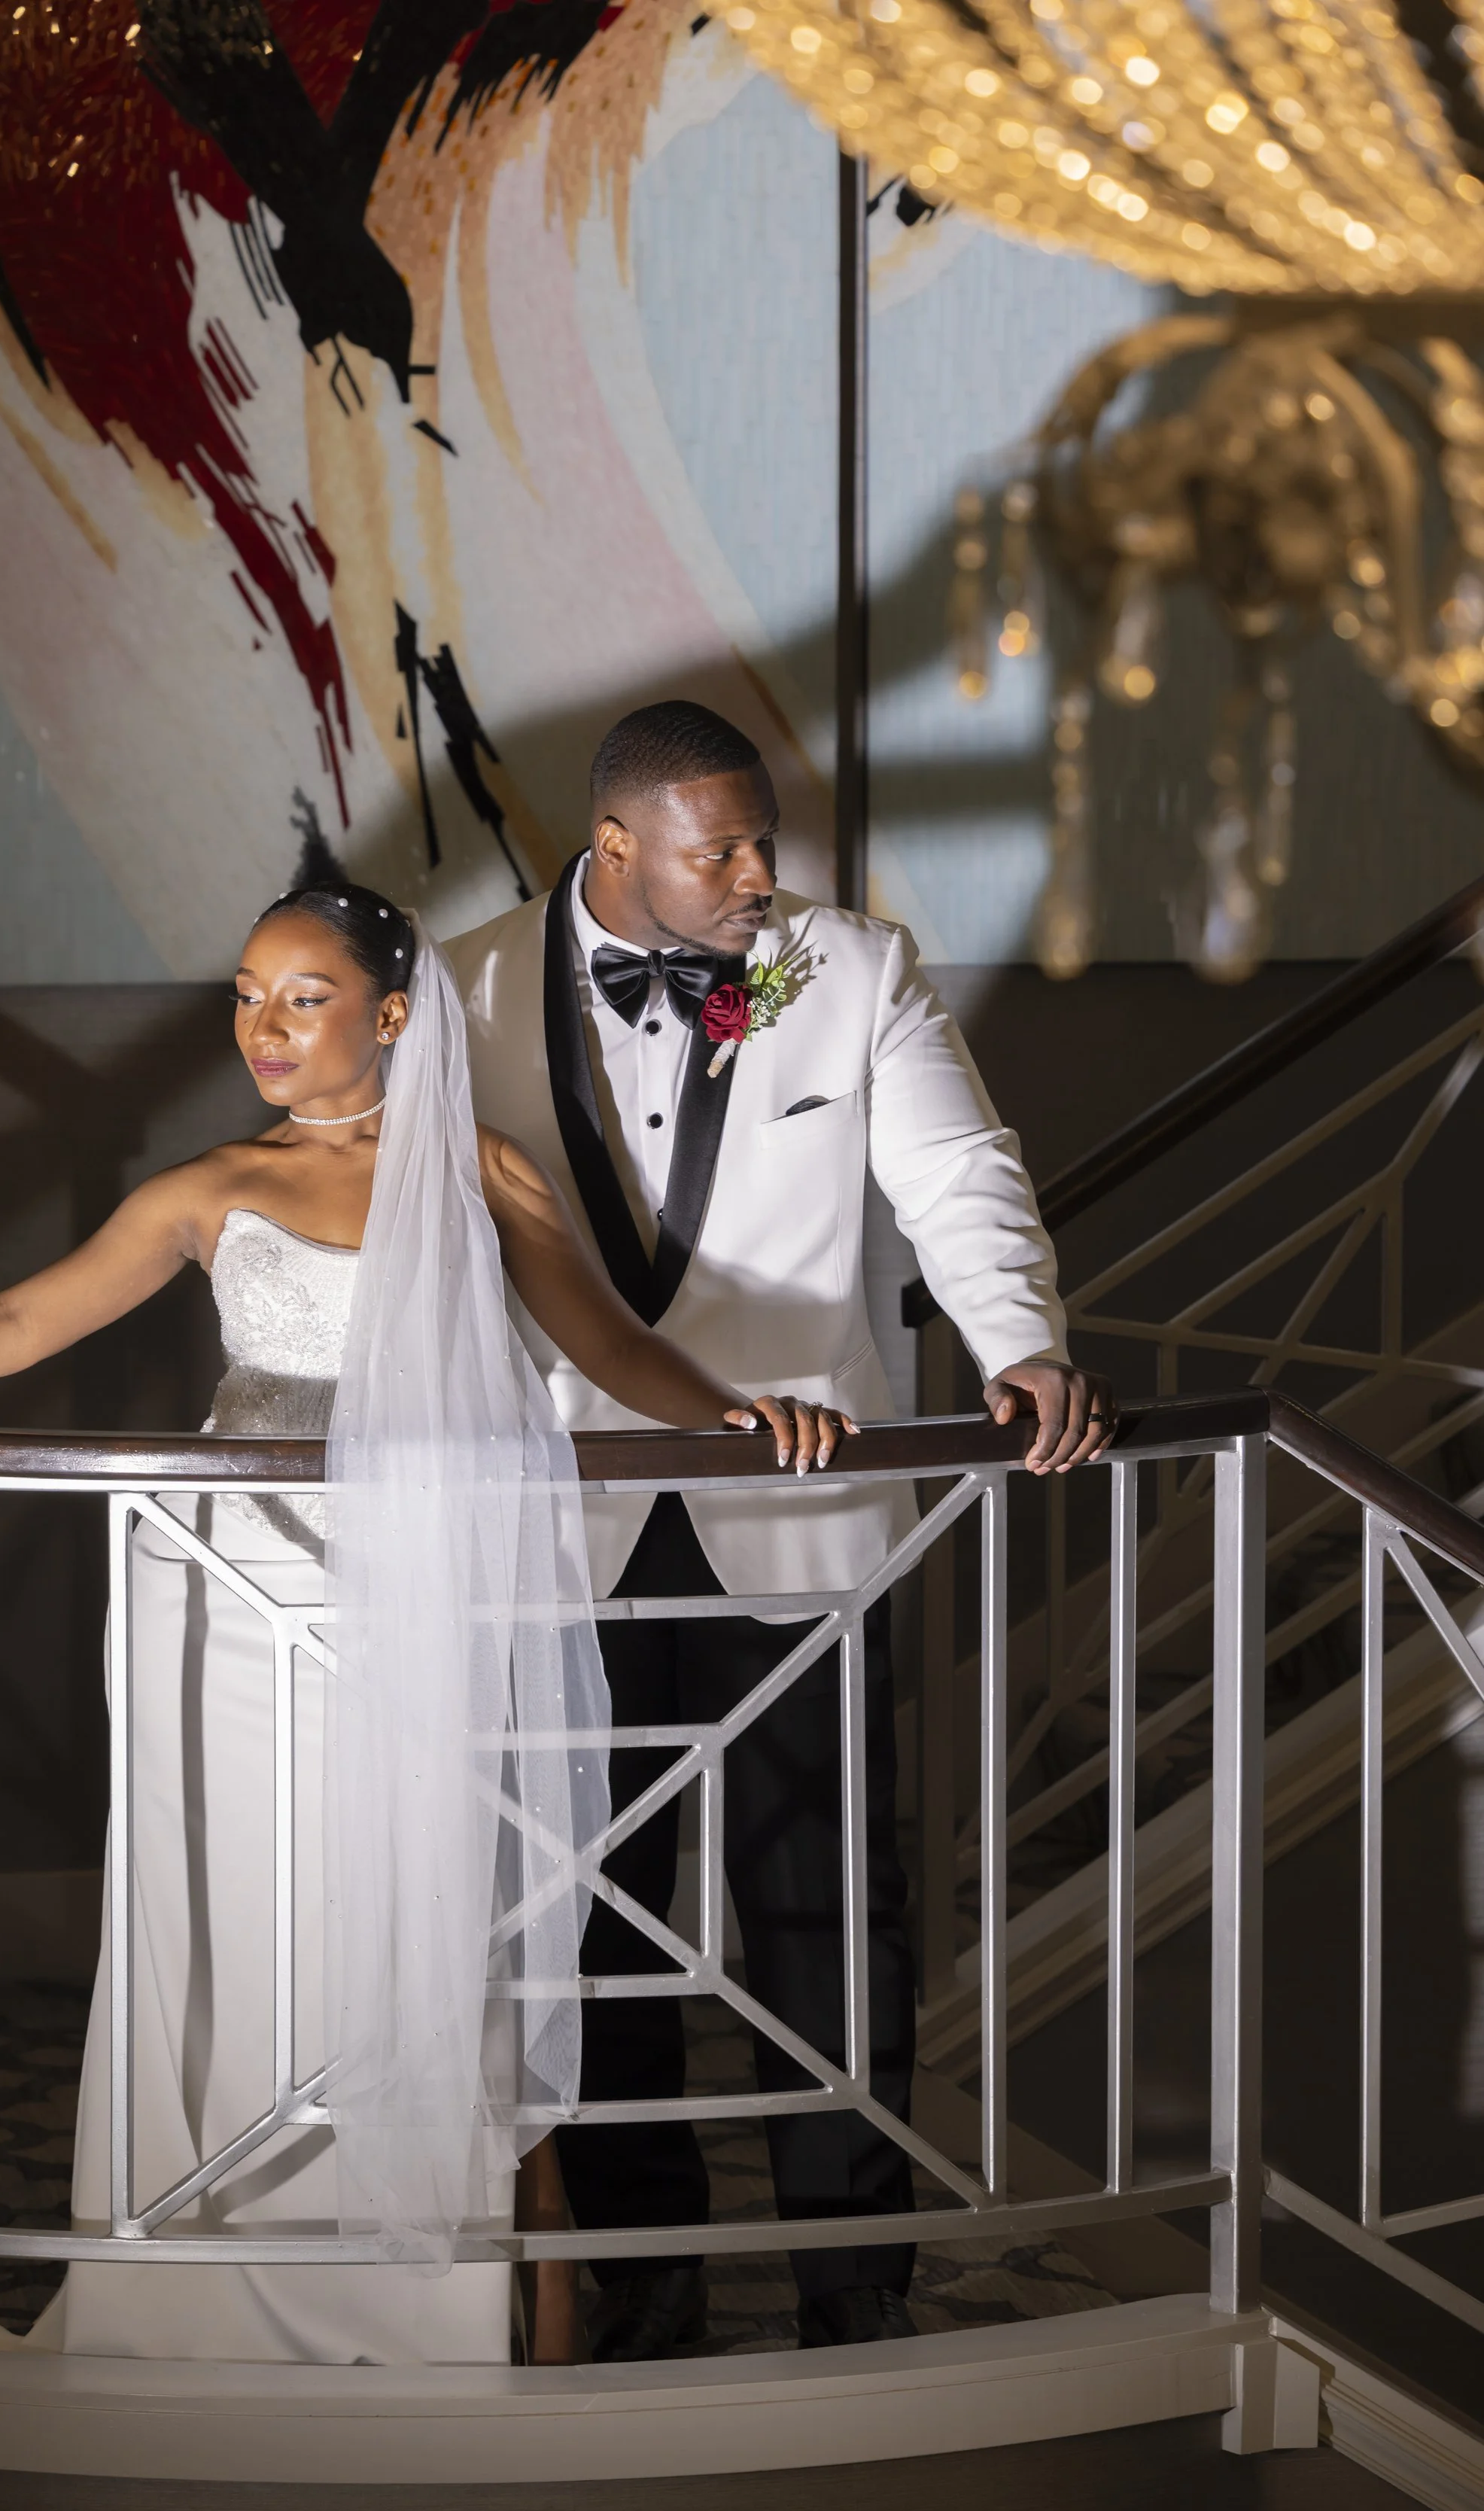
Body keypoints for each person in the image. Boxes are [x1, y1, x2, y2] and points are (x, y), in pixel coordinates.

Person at [0, 881, 847, 2367]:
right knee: (247, 1925)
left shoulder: (477, 1170)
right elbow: (21, 1320)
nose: (262, 1028)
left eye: (301, 996)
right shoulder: (213, 1183)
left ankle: (507, 2284)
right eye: (244, 994)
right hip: (233, 1604)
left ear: (394, 1012)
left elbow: (604, 1342)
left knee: (439, 1918)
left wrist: (736, 1411)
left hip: (420, 1596)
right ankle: (211, 2258)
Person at [448, 700, 1116, 2360]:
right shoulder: (457, 993)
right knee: (587, 1908)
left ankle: (851, 2269)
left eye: (763, 842)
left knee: (824, 1902)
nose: (758, 876)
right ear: (611, 848)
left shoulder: (846, 967)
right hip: (559, 1516)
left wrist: (1013, 1338)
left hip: (800, 1518)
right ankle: (639, 2265)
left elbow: (957, 1169)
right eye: (718, 850)